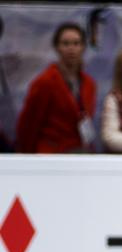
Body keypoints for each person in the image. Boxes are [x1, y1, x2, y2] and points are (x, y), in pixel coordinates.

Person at [16, 23, 96, 154]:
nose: (71, 49)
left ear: (83, 47)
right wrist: (27, 160)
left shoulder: (89, 84)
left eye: (76, 43)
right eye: (66, 43)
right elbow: (28, 126)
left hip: (80, 152)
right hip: (51, 154)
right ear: (57, 47)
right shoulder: (44, 82)